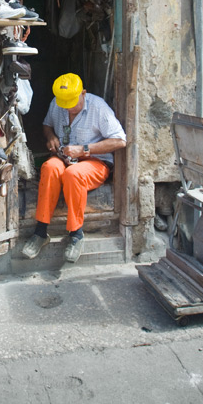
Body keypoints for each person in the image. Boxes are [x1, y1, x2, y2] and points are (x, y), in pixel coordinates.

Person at [21, 73, 126, 264]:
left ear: (83, 93)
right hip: (64, 157)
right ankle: (41, 231)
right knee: (50, 167)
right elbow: (47, 125)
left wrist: (84, 149)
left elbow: (120, 140)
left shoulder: (98, 107)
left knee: (73, 174)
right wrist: (51, 137)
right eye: (64, 103)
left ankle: (76, 234)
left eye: (72, 102)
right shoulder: (57, 103)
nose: (68, 108)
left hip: (95, 161)